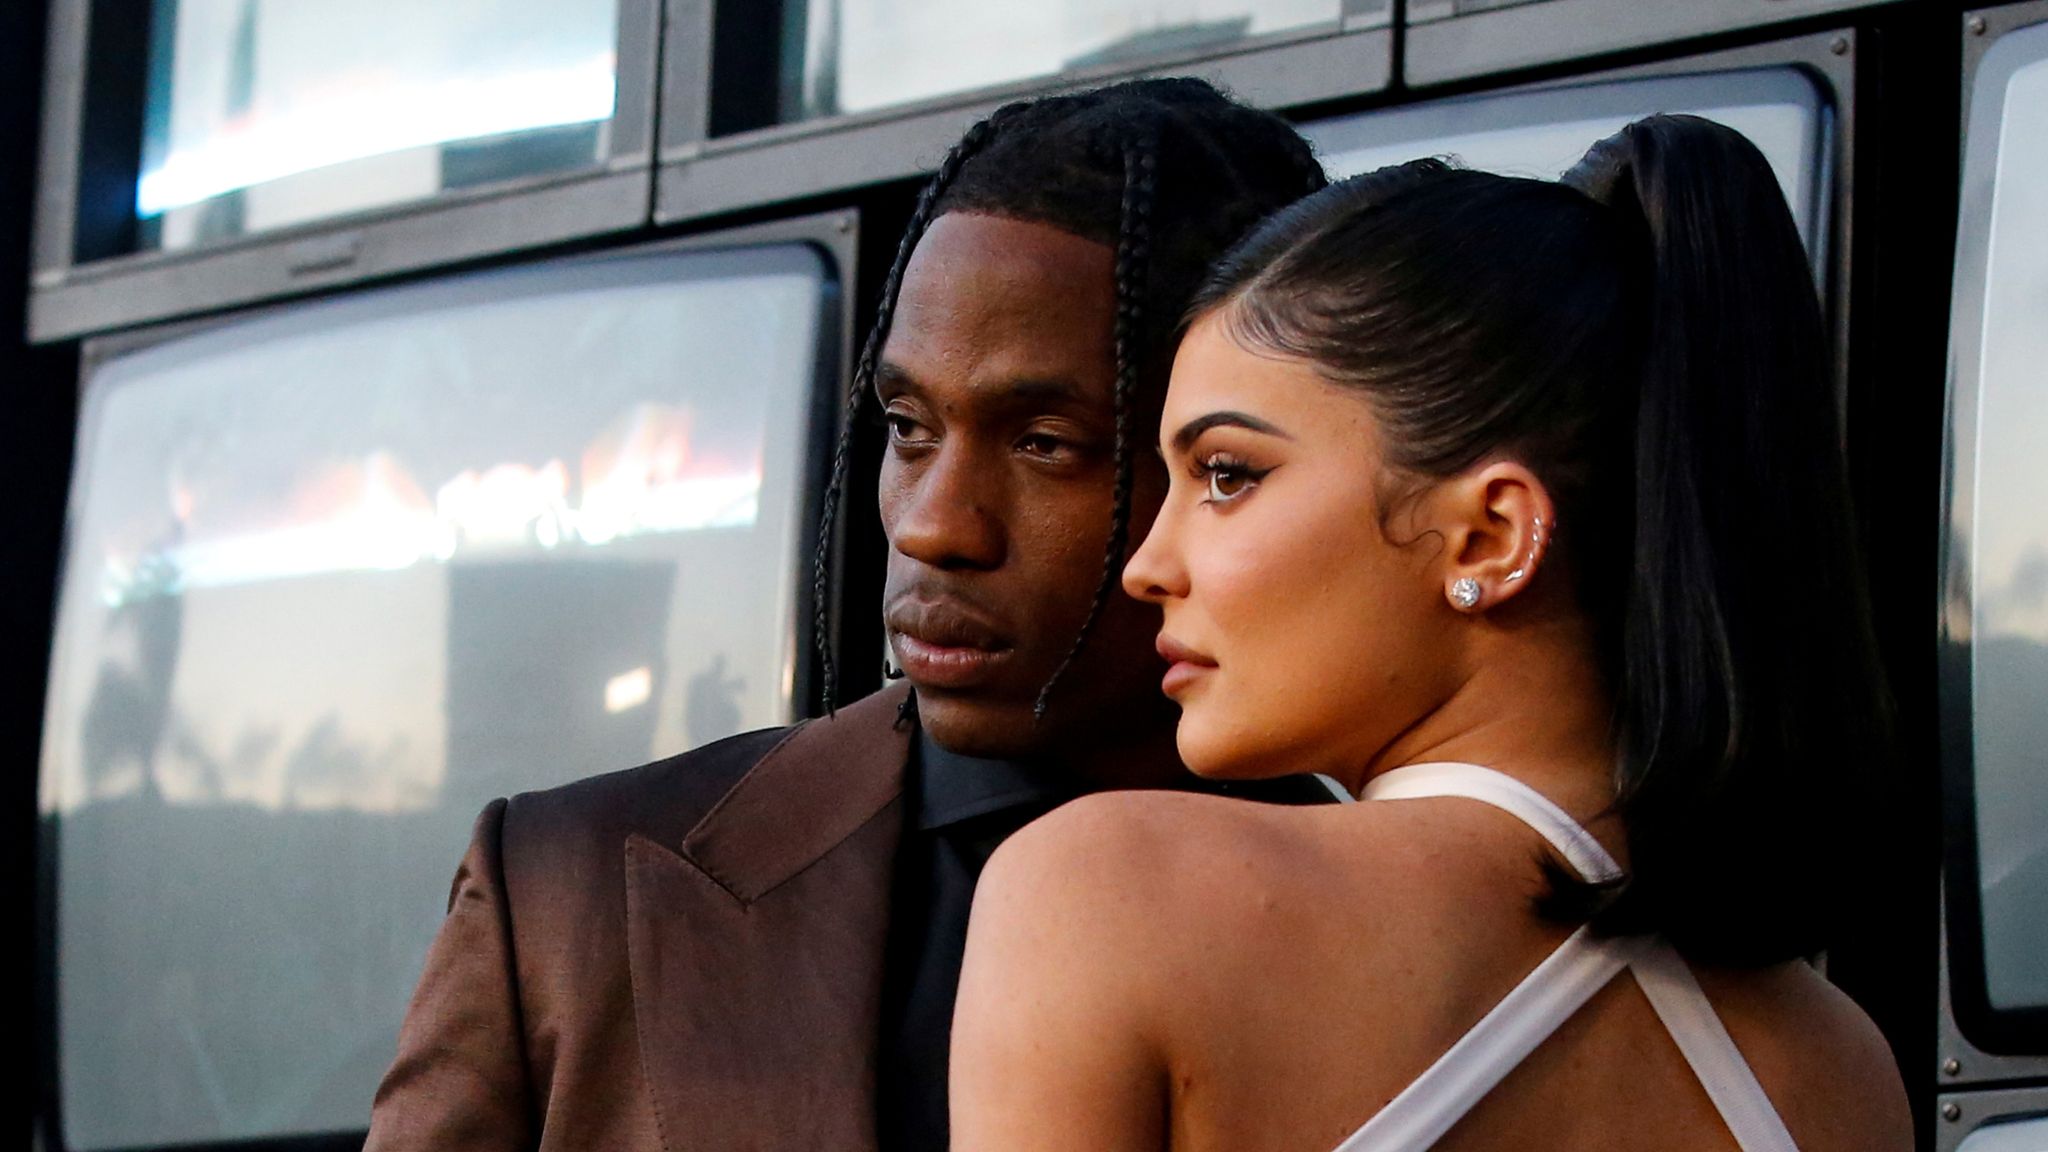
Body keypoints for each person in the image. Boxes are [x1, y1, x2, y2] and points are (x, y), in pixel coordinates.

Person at [364, 78, 1330, 1152]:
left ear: (1222, 468)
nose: (930, 526)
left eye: (1043, 442)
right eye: (909, 427)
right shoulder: (565, 887)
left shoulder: (1415, 912)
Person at [950, 115, 1913, 1152]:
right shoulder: (1832, 1067)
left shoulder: (1108, 894)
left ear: (1487, 535)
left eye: (1227, 476)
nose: (1146, 564)